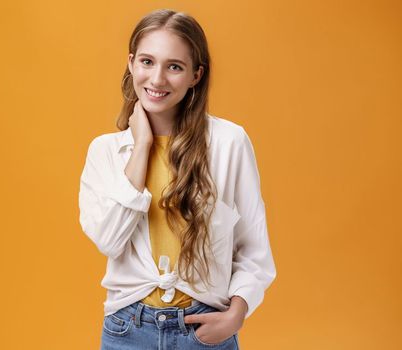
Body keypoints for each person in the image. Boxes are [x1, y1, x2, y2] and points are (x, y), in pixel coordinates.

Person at [78, 9, 277, 349]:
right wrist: (141, 145)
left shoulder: (229, 143)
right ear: (131, 63)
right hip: (128, 330)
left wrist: (236, 315)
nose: (156, 80)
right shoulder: (106, 151)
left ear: (195, 75)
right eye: (146, 61)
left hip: (204, 328)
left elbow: (253, 249)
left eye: (174, 66)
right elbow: (109, 240)